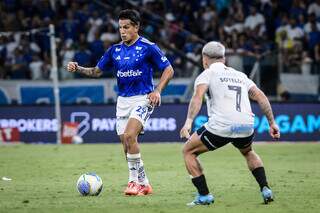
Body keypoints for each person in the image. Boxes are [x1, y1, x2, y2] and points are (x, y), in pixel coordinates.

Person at [67, 9, 174, 196]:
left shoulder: (148, 47)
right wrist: (78, 68)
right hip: (123, 100)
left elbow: (169, 69)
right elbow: (96, 71)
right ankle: (145, 183)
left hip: (143, 98)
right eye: (120, 28)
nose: (122, 31)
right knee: (126, 143)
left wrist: (157, 90)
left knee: (131, 136)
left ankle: (133, 183)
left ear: (136, 27)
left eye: (126, 27)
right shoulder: (114, 50)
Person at [180, 41, 280, 206]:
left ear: (204, 59)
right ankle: (265, 188)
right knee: (248, 152)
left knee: (188, 151)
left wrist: (188, 122)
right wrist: (272, 123)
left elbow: (197, 97)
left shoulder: (207, 74)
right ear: (224, 59)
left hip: (222, 125)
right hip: (246, 125)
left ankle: (204, 196)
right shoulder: (240, 75)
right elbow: (261, 96)